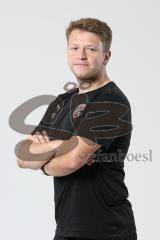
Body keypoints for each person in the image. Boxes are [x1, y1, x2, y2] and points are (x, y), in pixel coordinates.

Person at [17, 18, 137, 240]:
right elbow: (23, 155)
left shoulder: (110, 102)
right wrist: (61, 145)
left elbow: (73, 161)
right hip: (66, 228)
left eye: (91, 49)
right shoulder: (62, 102)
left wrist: (43, 160)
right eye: (74, 48)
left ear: (106, 56)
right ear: (67, 52)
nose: (81, 55)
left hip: (106, 230)